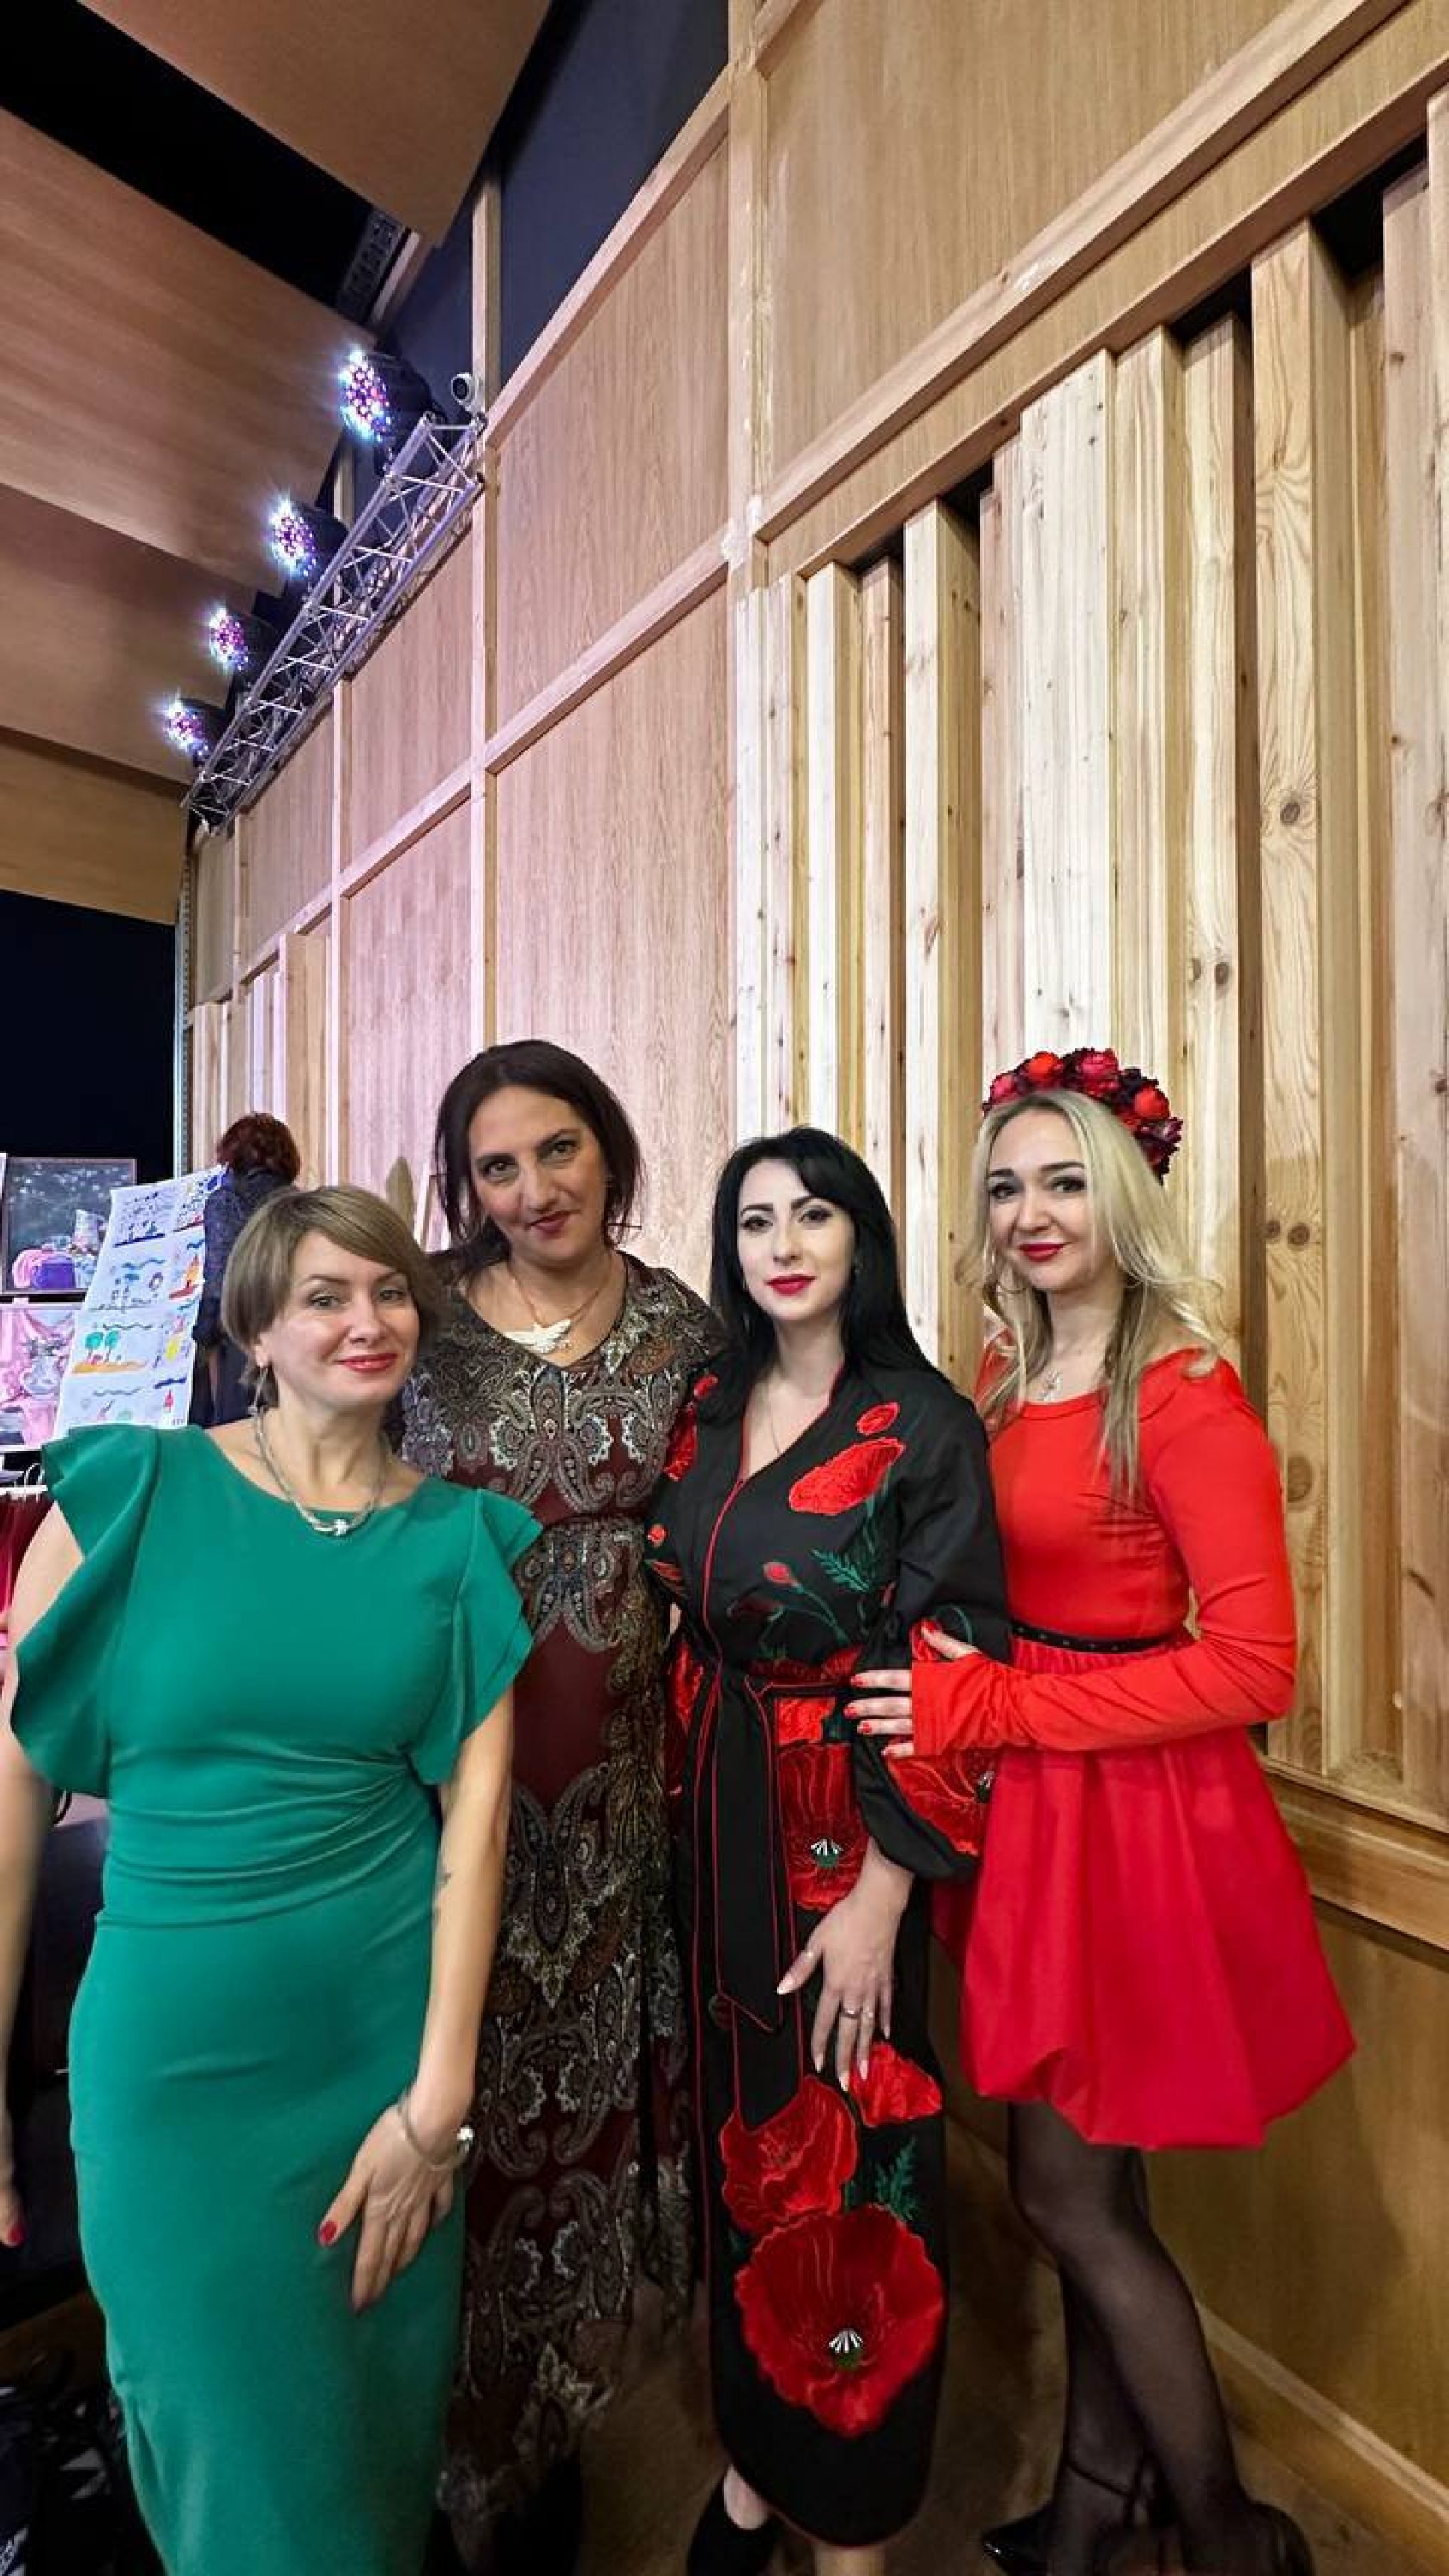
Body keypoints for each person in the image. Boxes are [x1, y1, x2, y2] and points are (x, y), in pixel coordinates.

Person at [851, 1048, 1354, 2576]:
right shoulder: (1007, 1375)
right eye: (1008, 1185)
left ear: (1124, 1194)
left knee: (1067, 2191)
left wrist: (995, 1708)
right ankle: (1095, 2499)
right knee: (1094, 2179)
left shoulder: (1182, 1391)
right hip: (1039, 1810)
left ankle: (1227, 2530)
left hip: (1137, 1818)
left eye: (1066, 1180)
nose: (1033, 1212)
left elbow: (1254, 1662)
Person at [0, 1184, 536, 2576]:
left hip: (380, 2067)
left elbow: (476, 1832)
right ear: (253, 1331)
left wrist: (437, 2107)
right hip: (173, 2084)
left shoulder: (460, 1543)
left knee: (364, 2456)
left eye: (391, 1291)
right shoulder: (127, 1498)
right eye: (325, 1296)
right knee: (224, 2464)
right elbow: (12, 1803)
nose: (369, 1321)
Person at [645, 1127, 1010, 2576]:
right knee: (742, 2144)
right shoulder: (709, 1401)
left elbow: (951, 1661)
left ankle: (851, 2513)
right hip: (713, 1820)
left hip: (841, 1844)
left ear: (862, 1236)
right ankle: (754, 2463)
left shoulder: (923, 1424)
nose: (783, 1244)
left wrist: (882, 1892)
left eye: (814, 1214)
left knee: (855, 2165)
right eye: (754, 1221)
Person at [399, 1040, 718, 2574]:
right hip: (435, 1784)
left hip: (619, 1807)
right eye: (498, 1164)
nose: (534, 1188)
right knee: (441, 2097)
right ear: (462, 1182)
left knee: (581, 2115)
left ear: (611, 1147)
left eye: (560, 1148)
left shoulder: (683, 1326)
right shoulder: (417, 1319)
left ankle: (550, 2435)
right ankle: (434, 2446)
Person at [192, 1111, 302, 1423]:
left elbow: (220, 1277)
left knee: (239, 1428)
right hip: (294, 1327)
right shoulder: (300, 1201)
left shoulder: (227, 1200)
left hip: (242, 1330)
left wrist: (204, 1333)